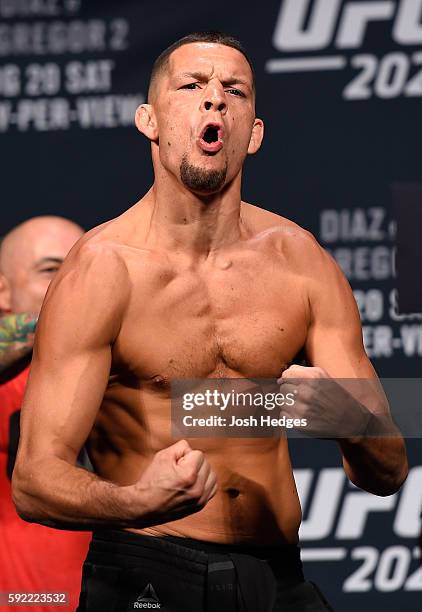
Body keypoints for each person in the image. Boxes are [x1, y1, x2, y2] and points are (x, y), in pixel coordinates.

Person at [12, 33, 408, 612]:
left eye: (233, 90)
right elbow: (33, 479)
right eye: (192, 86)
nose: (214, 100)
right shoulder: (103, 270)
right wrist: (136, 501)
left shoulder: (301, 263)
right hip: (147, 569)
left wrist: (351, 419)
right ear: (149, 120)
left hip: (278, 576)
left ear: (255, 132)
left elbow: (390, 468)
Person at [0, 216, 91, 612]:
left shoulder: (130, 369)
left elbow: (230, 413)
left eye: (83, 269)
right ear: (2, 290)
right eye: (52, 270)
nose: (74, 284)